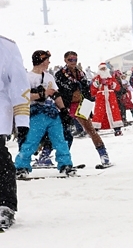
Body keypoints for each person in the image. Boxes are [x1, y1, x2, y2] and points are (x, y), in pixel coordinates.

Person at [14, 50, 75, 178]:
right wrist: (42, 94)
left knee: (60, 140)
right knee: (31, 141)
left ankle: (66, 164)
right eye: (47, 60)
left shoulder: (49, 77)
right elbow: (24, 96)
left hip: (52, 113)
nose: (49, 62)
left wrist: (63, 110)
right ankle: (21, 166)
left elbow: (55, 94)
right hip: (36, 113)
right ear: (41, 60)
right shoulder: (27, 77)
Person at [55, 51, 112, 167]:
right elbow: (58, 91)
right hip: (66, 105)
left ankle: (103, 154)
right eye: (70, 60)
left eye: (75, 59)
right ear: (65, 60)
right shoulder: (60, 74)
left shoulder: (81, 74)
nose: (73, 62)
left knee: (91, 130)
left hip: (81, 104)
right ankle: (59, 158)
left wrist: (88, 102)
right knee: (62, 133)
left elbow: (87, 89)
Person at [0, 35, 30, 230]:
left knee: (0, 160)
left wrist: (22, 120)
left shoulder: (6, 47)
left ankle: (5, 205)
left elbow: (19, 84)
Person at [91, 64, 124, 136]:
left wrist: (111, 84)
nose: (103, 70)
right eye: (102, 69)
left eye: (104, 69)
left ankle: (117, 128)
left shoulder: (111, 78)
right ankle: (95, 129)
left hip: (110, 96)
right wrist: (98, 83)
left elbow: (117, 87)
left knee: (114, 112)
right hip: (101, 97)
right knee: (99, 112)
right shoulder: (96, 78)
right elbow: (93, 90)